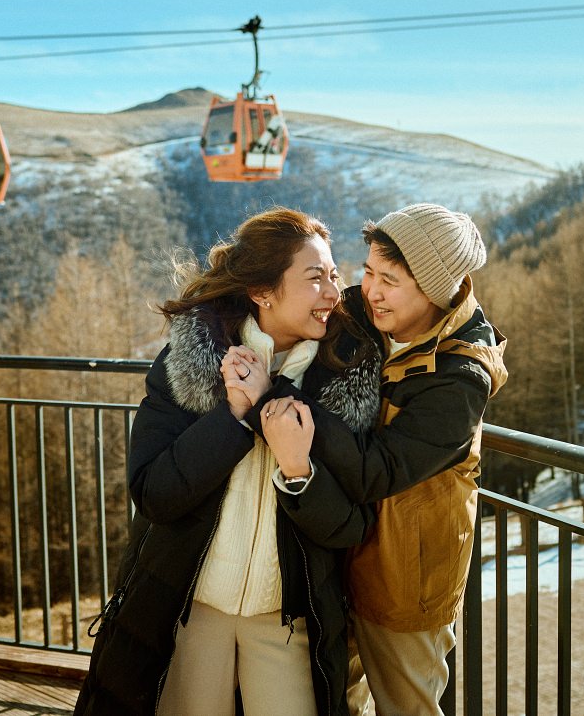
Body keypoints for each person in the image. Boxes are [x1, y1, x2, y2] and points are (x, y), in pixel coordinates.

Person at [75, 207, 381, 716]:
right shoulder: (190, 364)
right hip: (191, 611)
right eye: (315, 278)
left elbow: (352, 526)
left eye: (334, 275)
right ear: (262, 291)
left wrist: (299, 472)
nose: (334, 292)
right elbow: (153, 493)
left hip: (287, 623)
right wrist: (234, 418)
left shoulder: (346, 382)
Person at [252, 203, 508, 716]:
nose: (370, 290)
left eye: (389, 281)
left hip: (404, 582)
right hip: (337, 557)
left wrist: (279, 399)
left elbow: (378, 471)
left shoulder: (460, 377)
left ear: (433, 290)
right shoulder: (361, 316)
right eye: (368, 272)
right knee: (337, 703)